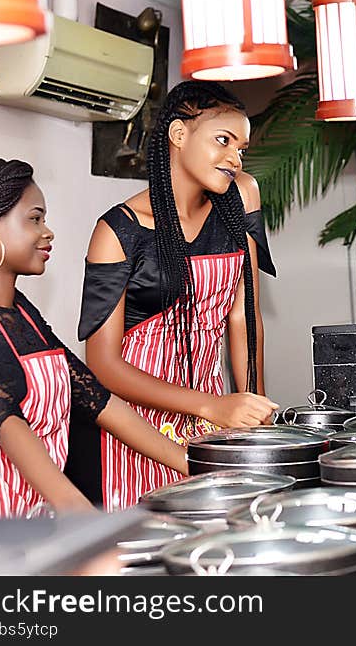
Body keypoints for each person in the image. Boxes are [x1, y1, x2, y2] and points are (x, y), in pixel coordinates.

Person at [0, 158, 187, 519]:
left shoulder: (22, 311)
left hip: (34, 518)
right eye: (35, 218)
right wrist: (77, 511)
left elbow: (97, 399)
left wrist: (190, 462)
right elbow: (6, 421)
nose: (48, 231)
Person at [77, 81, 279, 512]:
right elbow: (103, 365)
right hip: (132, 429)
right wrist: (213, 405)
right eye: (223, 140)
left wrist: (253, 414)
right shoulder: (117, 230)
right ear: (178, 134)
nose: (234, 158)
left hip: (214, 418)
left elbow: (244, 318)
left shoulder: (241, 196)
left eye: (241, 148)